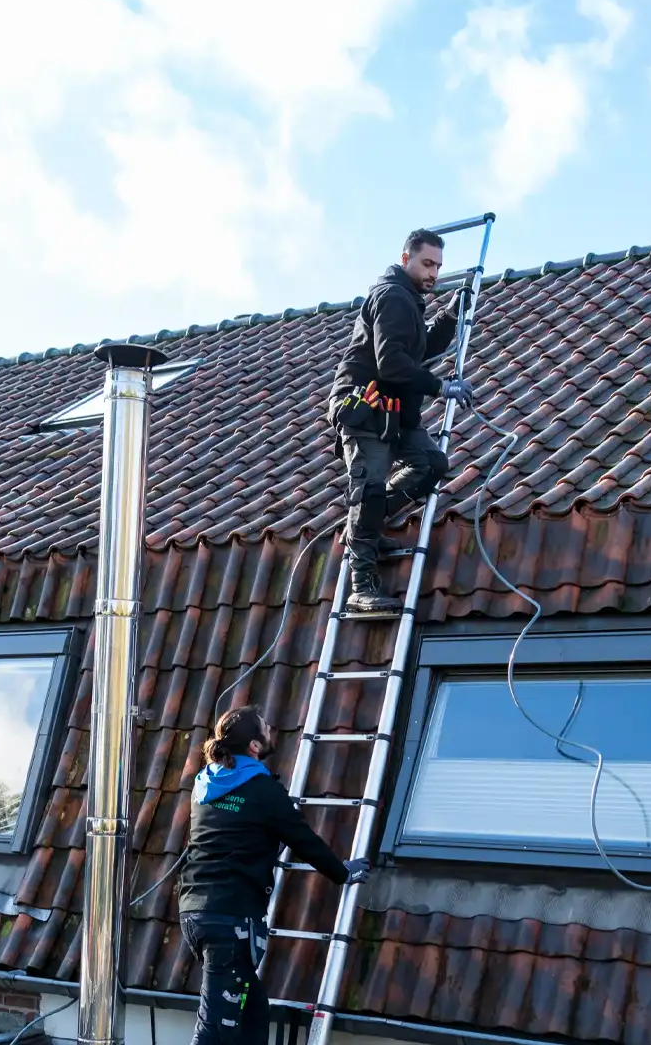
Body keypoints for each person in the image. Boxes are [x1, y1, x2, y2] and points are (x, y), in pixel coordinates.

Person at [178, 705, 371, 1045]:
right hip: (230, 920)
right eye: (265, 728)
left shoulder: (203, 783)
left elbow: (231, 832)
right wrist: (343, 873)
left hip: (195, 913)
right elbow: (303, 839)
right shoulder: (263, 790)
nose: (271, 732)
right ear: (254, 746)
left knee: (253, 1015)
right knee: (214, 1030)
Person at [328, 227, 476, 612]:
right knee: (370, 489)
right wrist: (441, 387)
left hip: (394, 412)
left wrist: (450, 315)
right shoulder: (393, 296)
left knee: (430, 464)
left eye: (439, 267)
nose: (434, 273)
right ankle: (362, 587)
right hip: (366, 410)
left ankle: (368, 527)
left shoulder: (410, 300)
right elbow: (392, 364)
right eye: (427, 263)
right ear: (405, 259)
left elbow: (420, 350)